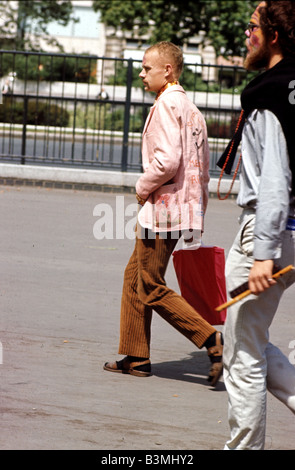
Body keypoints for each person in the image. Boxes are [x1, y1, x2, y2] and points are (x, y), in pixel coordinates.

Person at [104, 41, 223, 387]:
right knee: (134, 277)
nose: (141, 74)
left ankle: (209, 339)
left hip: (164, 210)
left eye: (146, 68)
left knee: (150, 284)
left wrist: (142, 187)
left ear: (167, 70)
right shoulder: (191, 109)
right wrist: (195, 212)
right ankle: (136, 356)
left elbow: (167, 162)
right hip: (181, 208)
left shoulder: (166, 104)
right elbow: (200, 171)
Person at [217, 1, 295, 450]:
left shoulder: (268, 92)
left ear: (273, 36)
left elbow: (273, 179)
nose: (246, 37)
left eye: (252, 28)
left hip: (266, 234)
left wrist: (263, 251)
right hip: (294, 234)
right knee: (249, 338)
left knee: (243, 355)